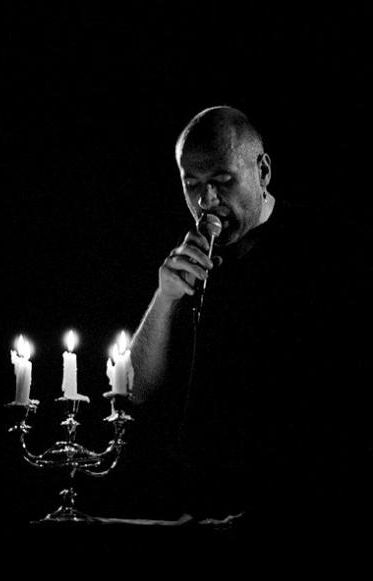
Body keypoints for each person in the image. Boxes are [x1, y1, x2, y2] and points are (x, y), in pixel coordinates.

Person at [128, 105, 366, 532]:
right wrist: (164, 300)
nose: (206, 202)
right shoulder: (188, 255)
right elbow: (135, 388)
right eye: (192, 185)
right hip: (192, 509)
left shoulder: (322, 253)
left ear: (263, 171)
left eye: (223, 181)